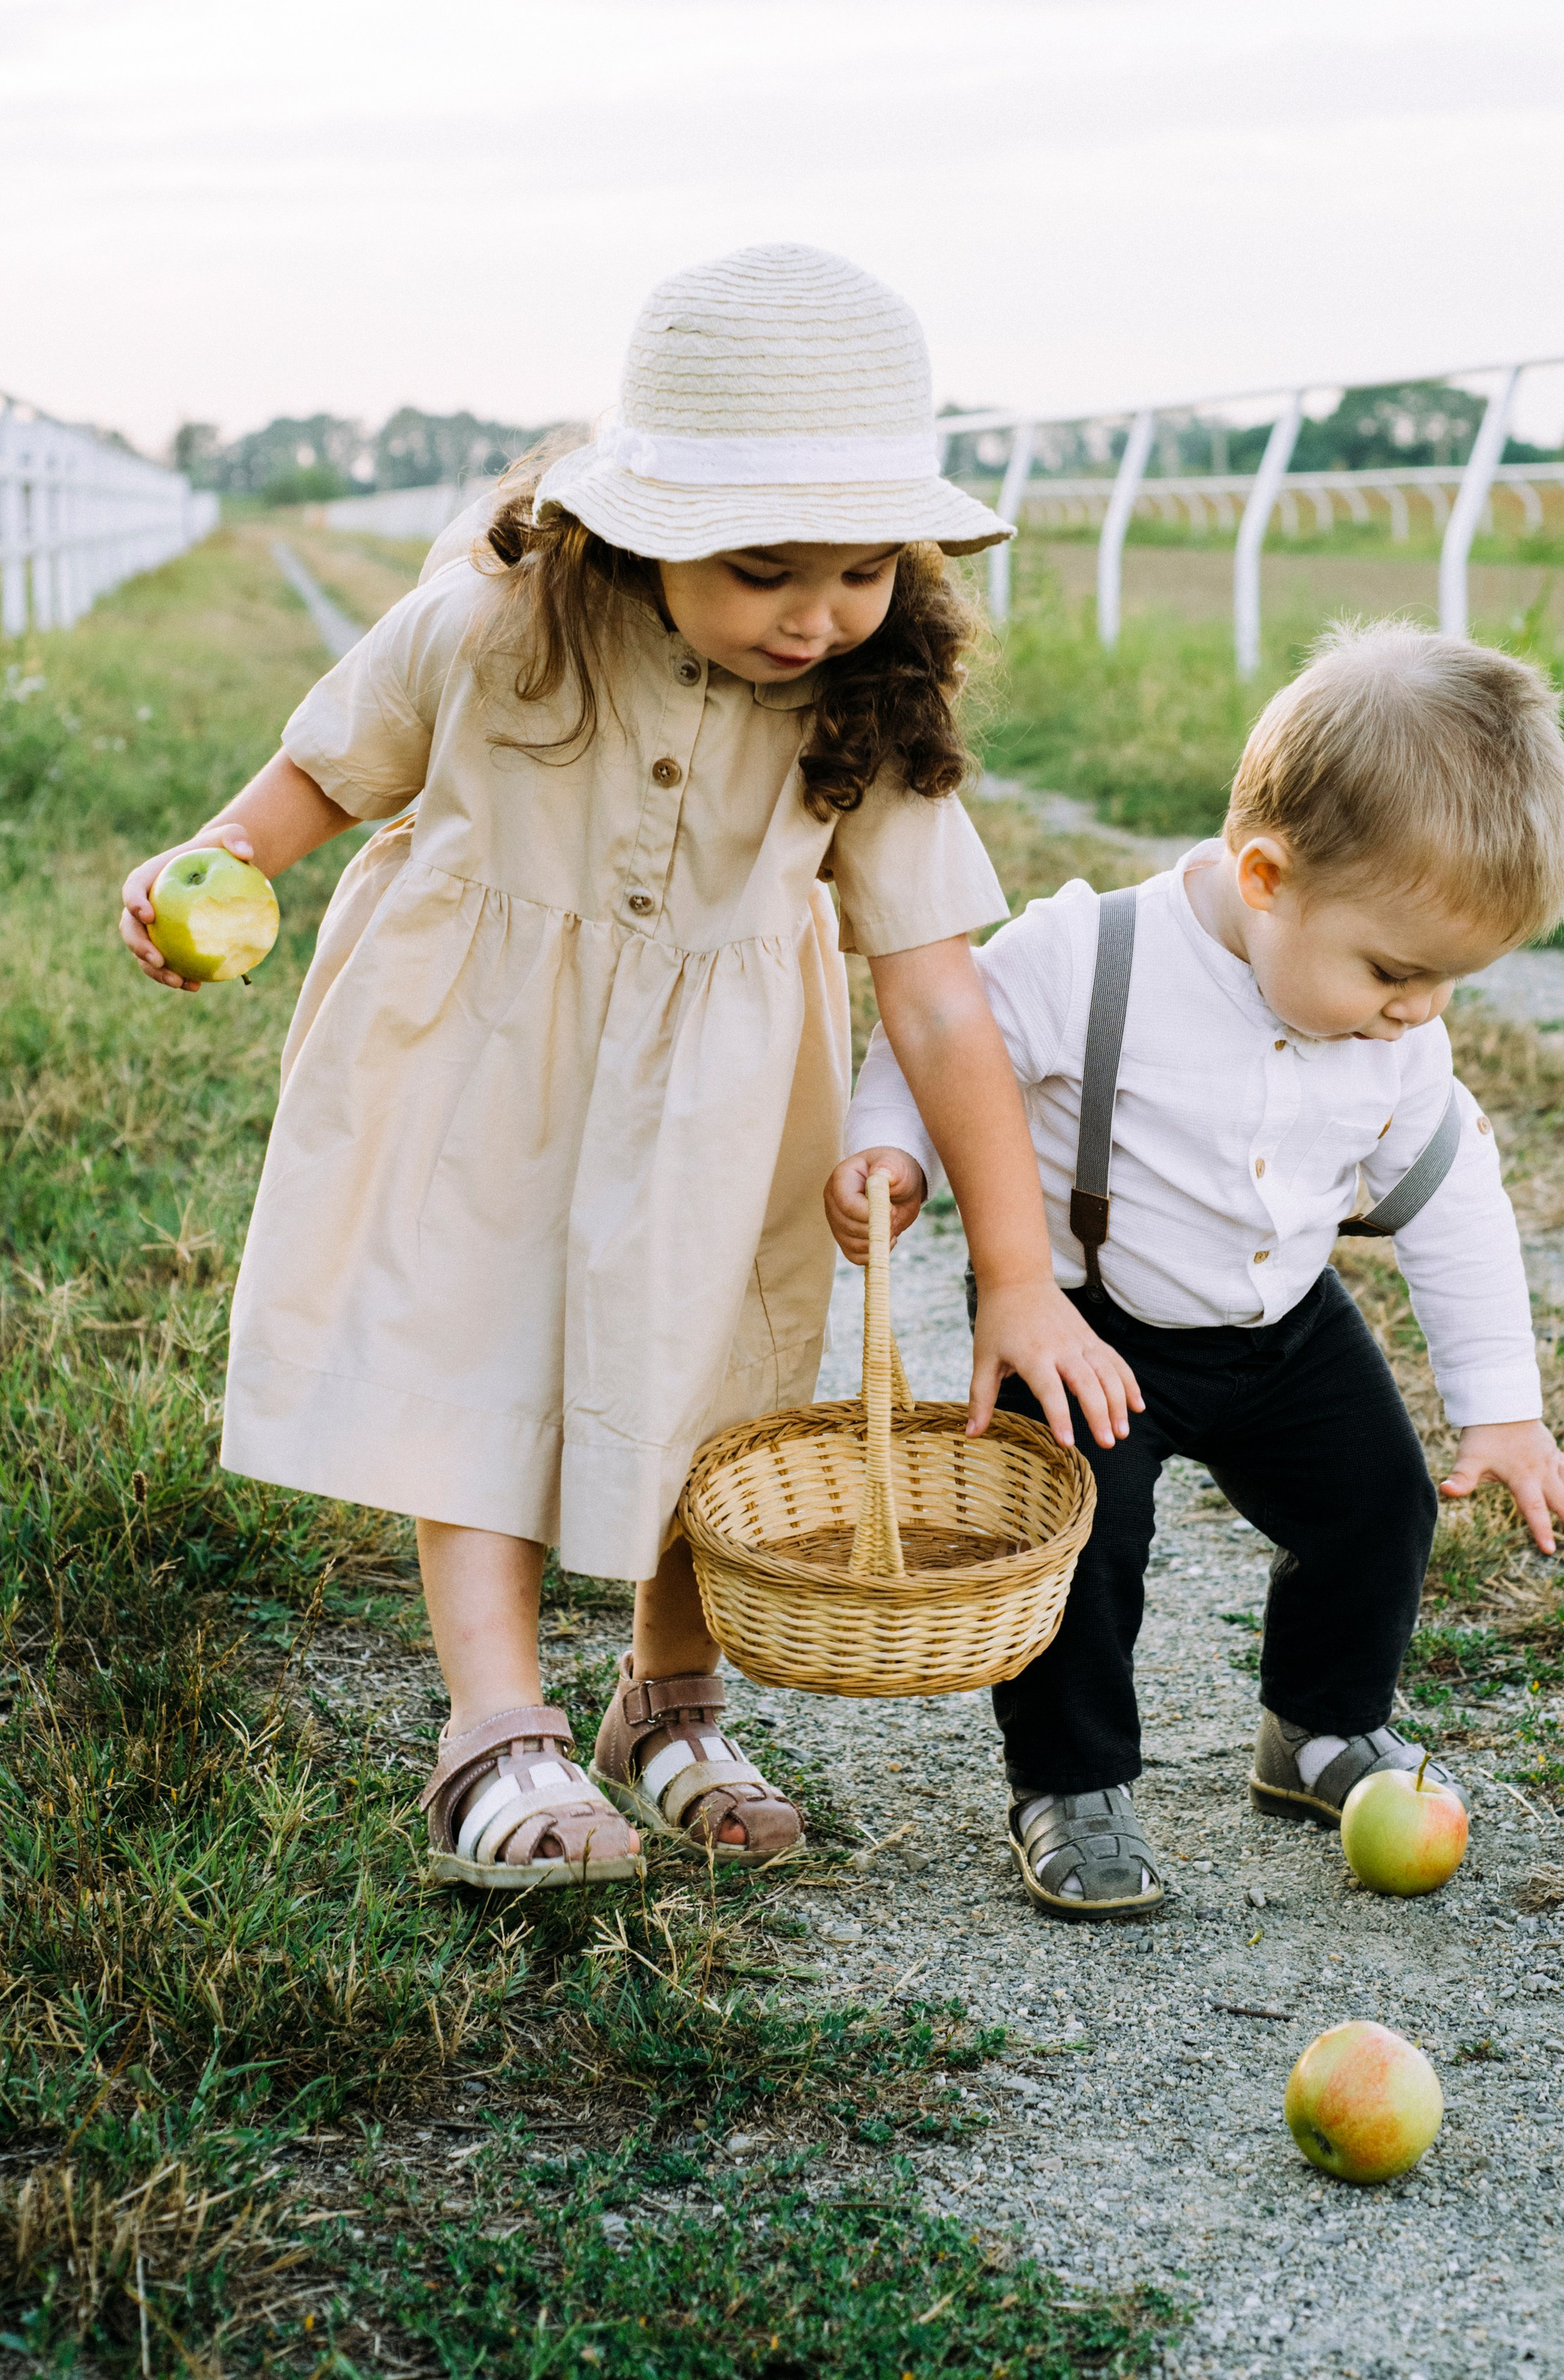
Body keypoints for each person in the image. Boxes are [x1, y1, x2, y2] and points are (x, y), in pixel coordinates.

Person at [119, 242, 1137, 1891]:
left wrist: (1015, 1275)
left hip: (721, 1110)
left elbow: (943, 1003)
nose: (818, 613)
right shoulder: (487, 627)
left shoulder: (862, 706)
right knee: (477, 1352)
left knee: (710, 1384)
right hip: (478, 1069)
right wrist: (208, 871)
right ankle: (494, 1724)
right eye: (762, 568)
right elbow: (313, 778)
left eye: (866, 566)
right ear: (637, 529)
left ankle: (668, 1695)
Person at [829, 621, 1564, 1919]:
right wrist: (890, 1154)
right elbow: (934, 1041)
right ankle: (1068, 1783)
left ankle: (1317, 1729)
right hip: (1085, 1322)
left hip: (1282, 1322)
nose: (1419, 1012)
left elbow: (1455, 1201)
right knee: (1085, 1541)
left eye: (1449, 984)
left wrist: (1502, 1411)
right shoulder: (1092, 956)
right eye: (1395, 972)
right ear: (1264, 874)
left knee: (1377, 1504)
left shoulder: (1401, 1042)